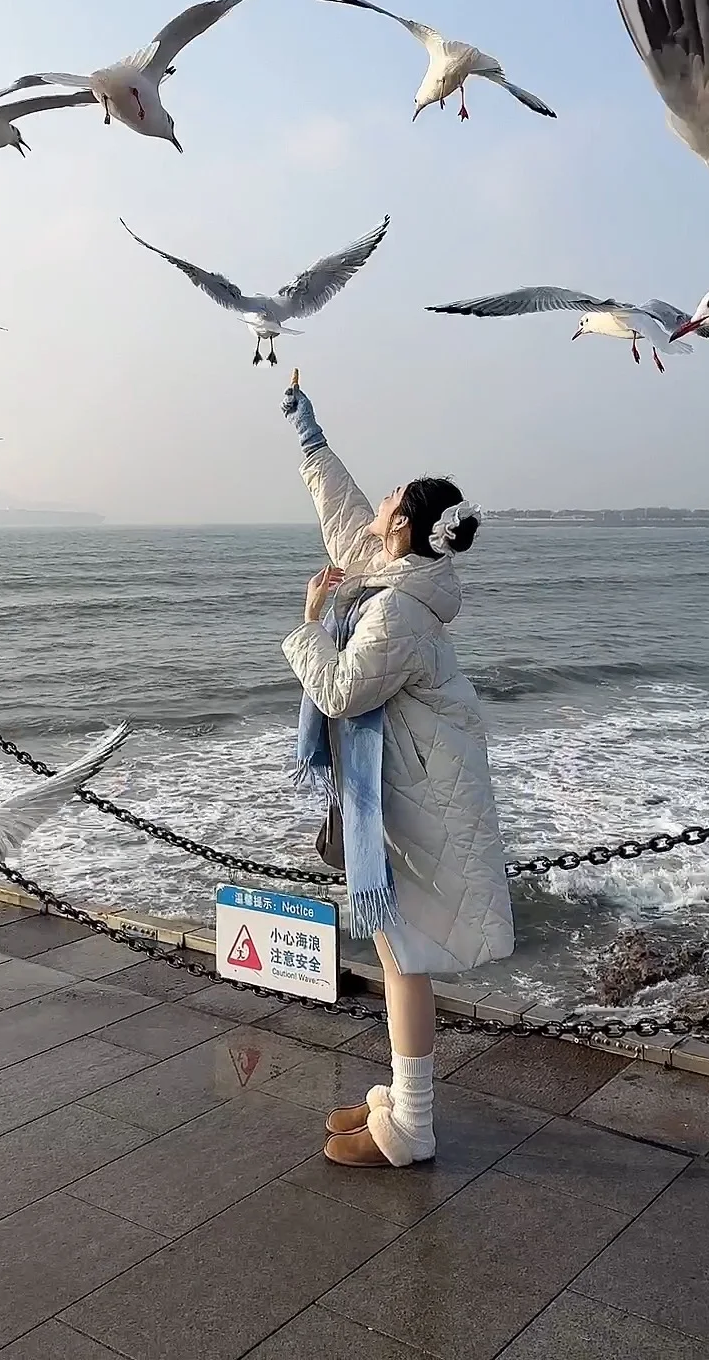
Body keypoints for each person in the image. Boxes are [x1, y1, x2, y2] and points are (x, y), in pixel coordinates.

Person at [281, 381, 514, 1169]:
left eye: (390, 500)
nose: (375, 502)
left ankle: (412, 1128)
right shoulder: (395, 579)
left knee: (403, 960)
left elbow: (341, 689)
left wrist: (311, 623)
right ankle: (400, 1099)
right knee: (393, 956)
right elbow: (344, 510)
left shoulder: (395, 611)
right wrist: (308, 430)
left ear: (406, 527)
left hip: (416, 805)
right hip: (406, 792)